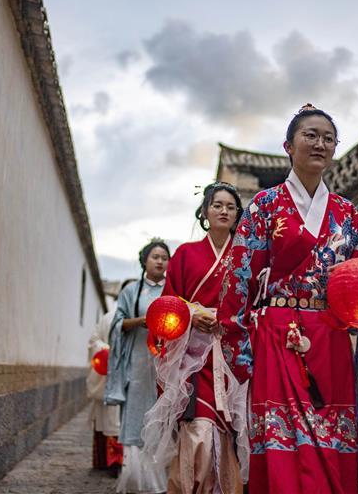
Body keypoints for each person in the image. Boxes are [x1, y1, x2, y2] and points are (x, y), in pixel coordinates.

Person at [217, 104, 358, 494]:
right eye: (310, 135)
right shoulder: (264, 206)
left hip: (331, 338)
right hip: (276, 337)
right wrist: (242, 355)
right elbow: (238, 282)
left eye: (328, 138)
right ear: (288, 146)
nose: (320, 144)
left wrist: (356, 314)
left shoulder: (348, 214)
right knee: (283, 447)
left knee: (330, 440)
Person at [143, 182, 247, 494]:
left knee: (230, 429)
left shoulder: (246, 256)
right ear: (204, 212)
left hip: (232, 352)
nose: (224, 211)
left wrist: (229, 321)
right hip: (194, 356)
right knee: (198, 427)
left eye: (230, 206)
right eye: (217, 205)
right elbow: (169, 300)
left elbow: (253, 301)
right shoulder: (185, 254)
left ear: (237, 214)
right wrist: (191, 315)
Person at [105, 240, 171, 494]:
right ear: (144, 261)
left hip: (164, 365)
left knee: (162, 418)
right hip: (137, 364)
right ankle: (135, 481)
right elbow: (117, 324)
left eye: (164, 257)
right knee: (135, 420)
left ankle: (160, 483)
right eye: (155, 256)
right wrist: (140, 321)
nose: (160, 261)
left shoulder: (173, 290)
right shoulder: (131, 291)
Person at [87, 307, 122, 474]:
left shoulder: (140, 316)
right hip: (106, 376)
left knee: (116, 421)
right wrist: (106, 351)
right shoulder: (108, 317)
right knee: (108, 420)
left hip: (128, 377)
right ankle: (109, 462)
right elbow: (94, 341)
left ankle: (119, 462)